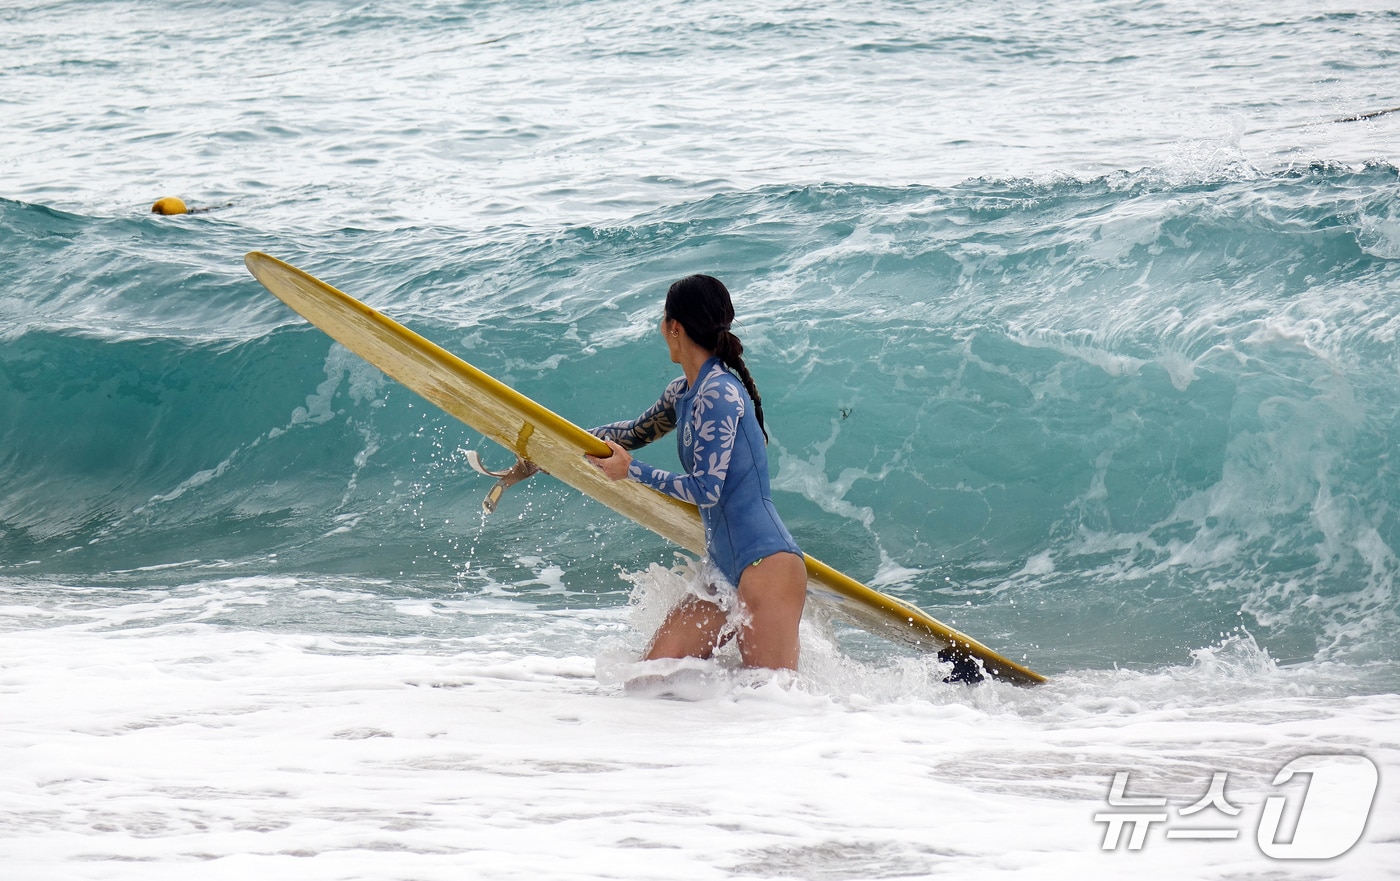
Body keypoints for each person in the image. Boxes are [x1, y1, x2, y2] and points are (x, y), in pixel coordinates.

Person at [586, 275, 807, 671]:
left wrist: (632, 472)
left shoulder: (719, 393)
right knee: (650, 678)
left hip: (765, 566)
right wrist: (552, 447)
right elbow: (633, 434)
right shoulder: (684, 392)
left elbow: (706, 489)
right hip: (721, 573)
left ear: (675, 327)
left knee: (770, 706)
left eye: (662, 321)